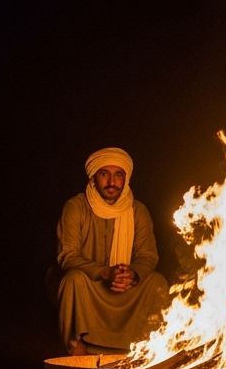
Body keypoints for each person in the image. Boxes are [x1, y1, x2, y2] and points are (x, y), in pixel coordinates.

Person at [55, 147, 171, 355]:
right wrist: (105, 272)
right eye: (104, 174)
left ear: (126, 179)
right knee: (73, 280)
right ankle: (78, 356)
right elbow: (68, 256)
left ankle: (148, 355)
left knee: (157, 283)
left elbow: (148, 255)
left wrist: (131, 274)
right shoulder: (76, 207)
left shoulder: (138, 210)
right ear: (93, 177)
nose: (111, 181)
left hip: (126, 287)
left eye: (118, 175)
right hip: (91, 286)